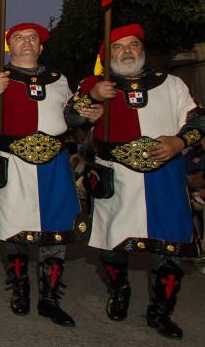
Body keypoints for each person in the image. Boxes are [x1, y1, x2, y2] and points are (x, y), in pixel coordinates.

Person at [67, 23, 204, 339]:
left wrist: (180, 142)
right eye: (118, 46)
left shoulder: (171, 84)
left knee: (167, 251)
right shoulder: (96, 84)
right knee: (112, 248)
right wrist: (89, 97)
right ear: (109, 54)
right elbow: (70, 117)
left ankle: (161, 311)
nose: (127, 51)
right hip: (115, 180)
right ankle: (119, 288)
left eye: (133, 45)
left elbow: (199, 119)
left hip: (164, 178)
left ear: (142, 49)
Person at [0, 23, 83, 327]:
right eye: (18, 38)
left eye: (33, 38)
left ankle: (49, 299)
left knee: (55, 231)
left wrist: (89, 110)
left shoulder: (59, 80)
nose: (26, 43)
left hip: (54, 164)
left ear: (41, 47)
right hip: (14, 161)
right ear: (10, 46)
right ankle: (20, 291)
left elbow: (74, 115)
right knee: (16, 230)